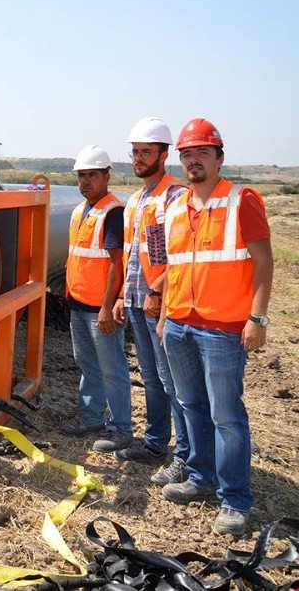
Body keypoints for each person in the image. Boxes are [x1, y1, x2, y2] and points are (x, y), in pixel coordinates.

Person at [159, 118, 273, 536]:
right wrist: (166, 317)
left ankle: (235, 500)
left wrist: (257, 319)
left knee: (226, 415)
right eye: (187, 154)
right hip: (179, 324)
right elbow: (173, 267)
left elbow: (264, 263)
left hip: (223, 330)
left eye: (202, 153)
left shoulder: (241, 199)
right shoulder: (175, 205)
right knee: (191, 406)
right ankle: (200, 477)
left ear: (219, 158)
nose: (193, 161)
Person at [110, 118, 190, 485]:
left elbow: (178, 254)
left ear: (164, 154)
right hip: (137, 301)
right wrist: (121, 297)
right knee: (151, 376)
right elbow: (131, 254)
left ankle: (185, 456)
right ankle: (156, 443)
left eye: (146, 152)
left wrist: (160, 293)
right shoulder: (136, 200)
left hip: (163, 303)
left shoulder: (175, 195)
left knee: (172, 380)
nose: (139, 159)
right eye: (135, 152)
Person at [60, 145, 133, 453]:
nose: (86, 181)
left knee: (112, 368)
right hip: (79, 304)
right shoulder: (81, 210)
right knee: (87, 364)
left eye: (92, 175)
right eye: (81, 176)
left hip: (98, 310)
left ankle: (121, 428)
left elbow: (118, 262)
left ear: (106, 176)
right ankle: (92, 418)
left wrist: (108, 306)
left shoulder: (112, 212)